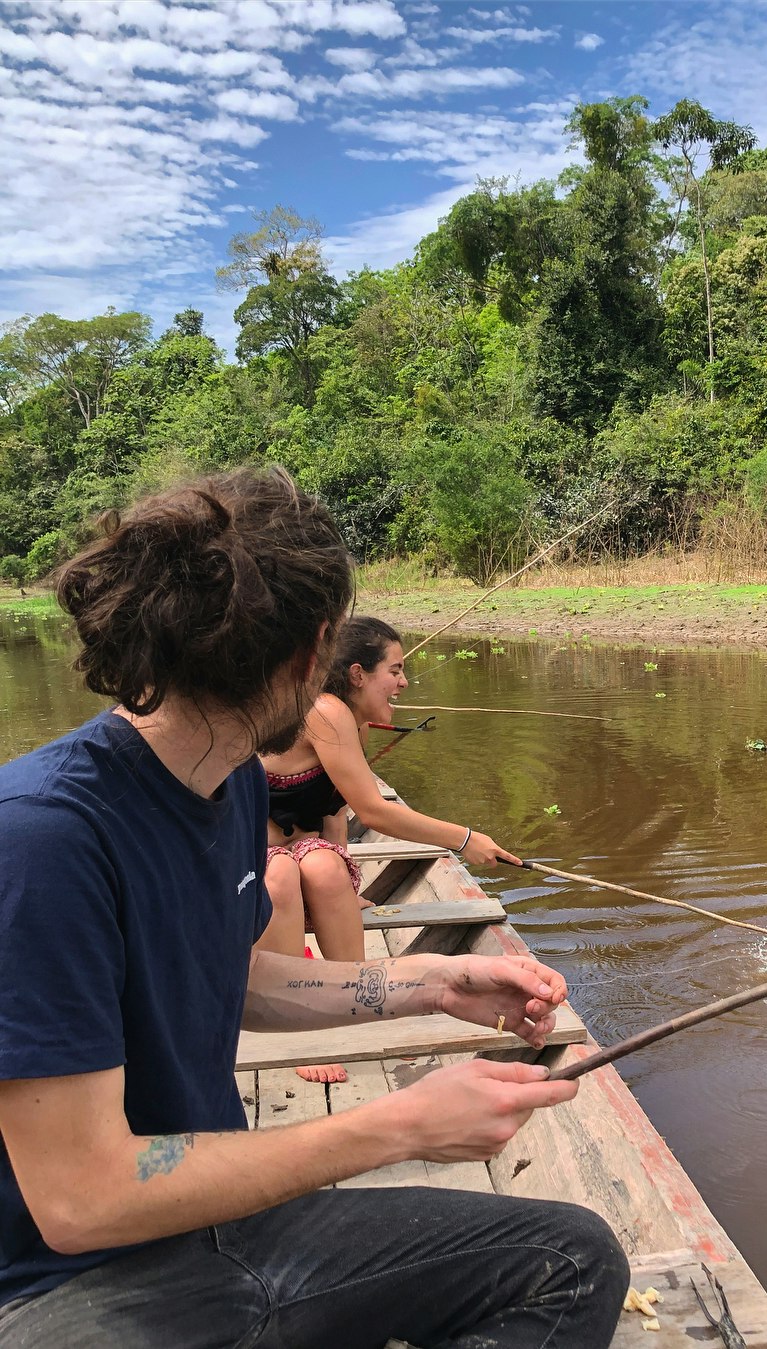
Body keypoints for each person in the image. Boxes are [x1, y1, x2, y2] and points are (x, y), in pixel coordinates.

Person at [0, 468, 629, 1348]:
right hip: (63, 1292)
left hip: (217, 1229)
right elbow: (82, 1197)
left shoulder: (227, 789)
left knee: (571, 1259)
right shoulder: (39, 838)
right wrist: (397, 1124)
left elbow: (229, 973)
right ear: (313, 654)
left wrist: (424, 983)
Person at [258, 617, 520, 1083]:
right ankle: (294, 1026)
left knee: (324, 868)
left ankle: (350, 999)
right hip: (245, 859)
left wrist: (339, 875)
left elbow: (335, 808)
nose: (403, 682)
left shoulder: (352, 723)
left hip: (298, 846)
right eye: (395, 671)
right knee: (280, 876)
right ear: (358, 674)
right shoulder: (324, 710)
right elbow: (373, 813)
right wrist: (463, 838)